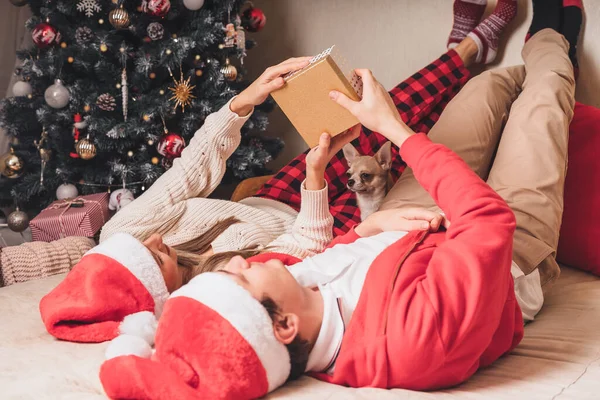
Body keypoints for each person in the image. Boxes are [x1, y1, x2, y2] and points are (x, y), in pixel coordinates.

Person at [99, 0, 580, 397]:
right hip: (507, 256)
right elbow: (489, 223)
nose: (246, 262)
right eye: (241, 279)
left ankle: (502, 59)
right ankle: (555, 43)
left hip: (401, 227)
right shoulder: (411, 344)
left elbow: (327, 254)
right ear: (285, 327)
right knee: (540, 106)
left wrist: (368, 229)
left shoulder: (295, 295)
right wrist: (391, 129)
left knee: (483, 91)